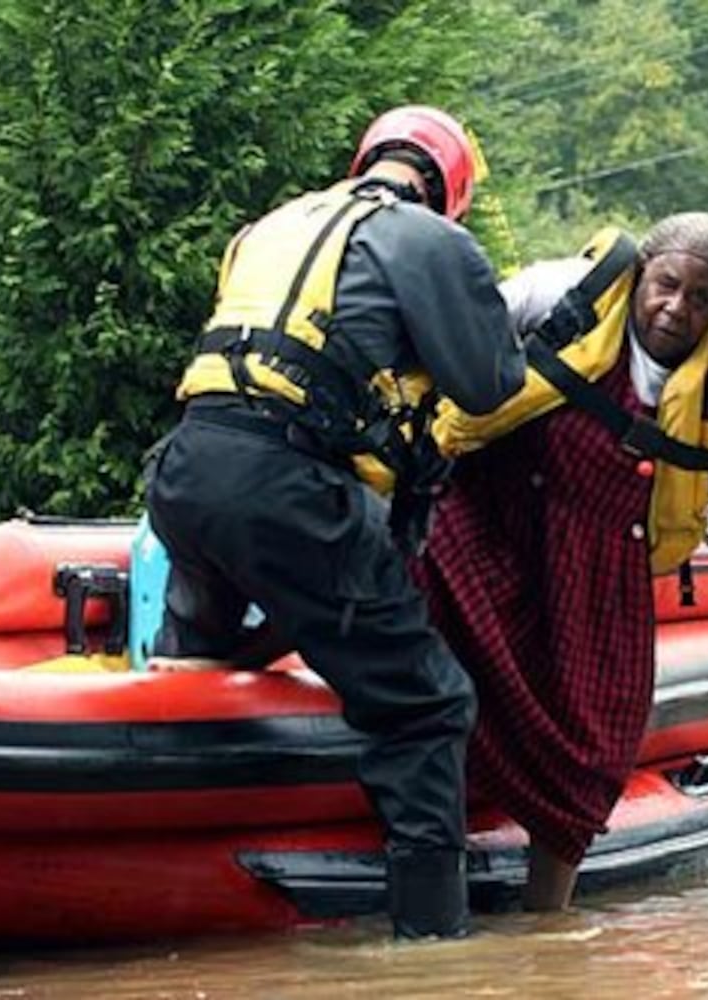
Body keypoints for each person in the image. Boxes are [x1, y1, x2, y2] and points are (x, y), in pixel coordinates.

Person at [414, 211, 708, 910]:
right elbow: (455, 329)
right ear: (642, 274)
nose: (677, 308)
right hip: (497, 516)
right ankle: (436, 864)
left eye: (700, 298)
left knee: (598, 738)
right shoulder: (563, 291)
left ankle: (549, 923)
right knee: (443, 654)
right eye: (665, 285)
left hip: (606, 554)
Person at [145, 105, 525, 939]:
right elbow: (491, 383)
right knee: (427, 705)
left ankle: (172, 894)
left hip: (186, 471)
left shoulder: (269, 226)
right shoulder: (431, 240)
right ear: (449, 188)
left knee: (200, 664)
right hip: (287, 493)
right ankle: (434, 950)